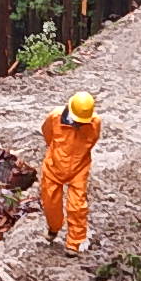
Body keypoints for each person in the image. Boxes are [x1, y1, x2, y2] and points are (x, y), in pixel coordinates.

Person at [40, 91, 101, 254]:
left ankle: (73, 243)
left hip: (79, 168)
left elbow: (93, 140)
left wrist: (79, 155)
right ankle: (53, 228)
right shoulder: (55, 117)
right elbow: (47, 134)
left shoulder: (94, 122)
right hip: (54, 166)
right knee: (50, 202)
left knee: (77, 206)